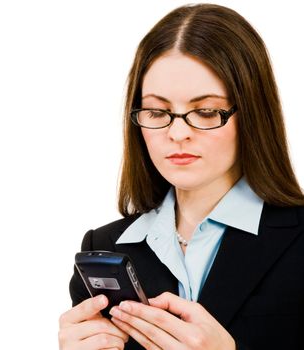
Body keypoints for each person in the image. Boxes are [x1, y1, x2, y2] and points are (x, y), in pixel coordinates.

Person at [58, 3, 304, 350]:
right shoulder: (105, 248)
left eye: (204, 111)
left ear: (252, 114)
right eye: (158, 111)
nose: (177, 133)